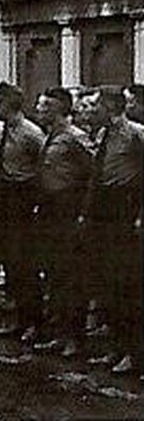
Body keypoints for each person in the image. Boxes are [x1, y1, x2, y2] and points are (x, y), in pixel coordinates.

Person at [80, 86, 143, 374]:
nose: (90, 111)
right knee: (105, 280)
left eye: (95, 106)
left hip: (125, 209)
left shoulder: (136, 134)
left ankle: (134, 353)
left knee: (126, 283)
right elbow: (96, 176)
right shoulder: (103, 135)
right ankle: (115, 348)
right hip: (103, 210)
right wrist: (87, 212)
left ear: (110, 107)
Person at [33, 87, 94, 356]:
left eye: (44, 106)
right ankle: (60, 333)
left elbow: (94, 174)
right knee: (55, 273)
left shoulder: (75, 138)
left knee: (71, 276)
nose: (38, 110)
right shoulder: (50, 136)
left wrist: (83, 212)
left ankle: (74, 339)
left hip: (69, 210)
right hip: (50, 211)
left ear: (58, 109)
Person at [0, 81, 46, 341]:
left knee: (25, 264)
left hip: (24, 199)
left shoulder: (30, 133)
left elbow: (43, 167)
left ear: (7, 104)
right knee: (11, 262)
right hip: (7, 198)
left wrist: (35, 201)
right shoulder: (6, 130)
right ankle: (18, 319)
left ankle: (33, 322)